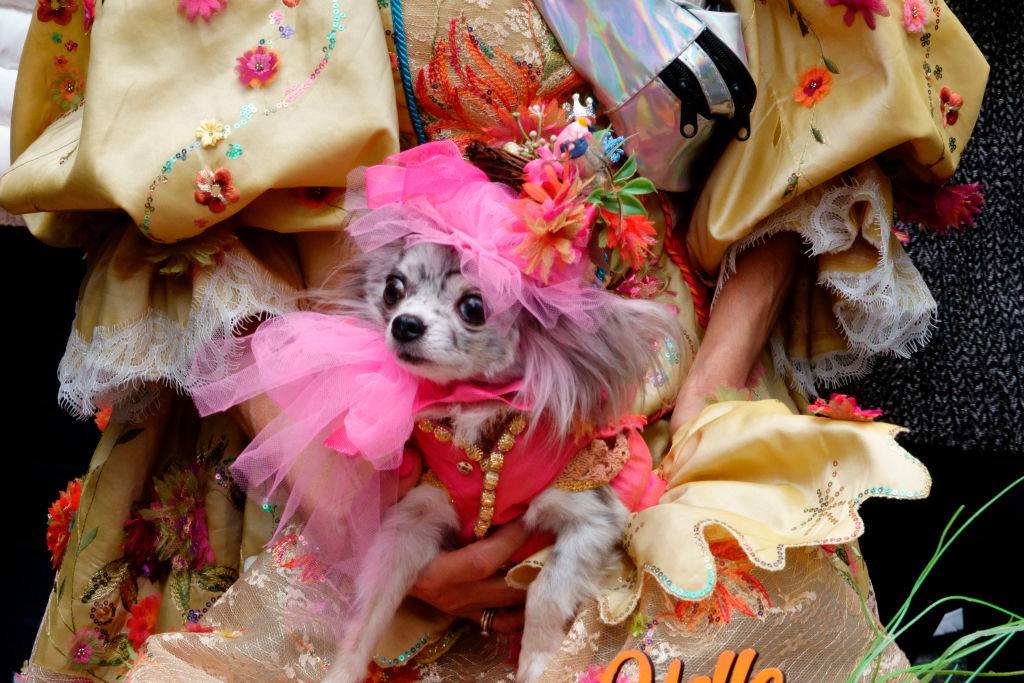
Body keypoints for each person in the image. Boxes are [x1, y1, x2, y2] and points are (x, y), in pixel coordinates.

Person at [0, 0, 986, 680]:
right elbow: (179, 180)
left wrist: (705, 422)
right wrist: (347, 507)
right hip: (324, 442)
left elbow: (819, 102)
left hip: (657, 438)